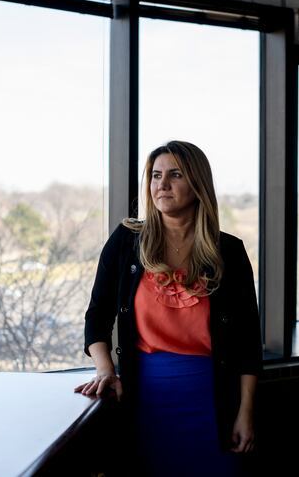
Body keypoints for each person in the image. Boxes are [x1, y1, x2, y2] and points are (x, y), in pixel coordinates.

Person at [74, 140, 262, 477]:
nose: (162, 184)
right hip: (144, 398)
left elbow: (248, 341)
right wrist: (105, 370)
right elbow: (97, 315)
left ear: (198, 183)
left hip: (212, 400)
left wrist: (245, 412)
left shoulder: (229, 251)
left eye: (175, 174)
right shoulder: (126, 240)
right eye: (156, 175)